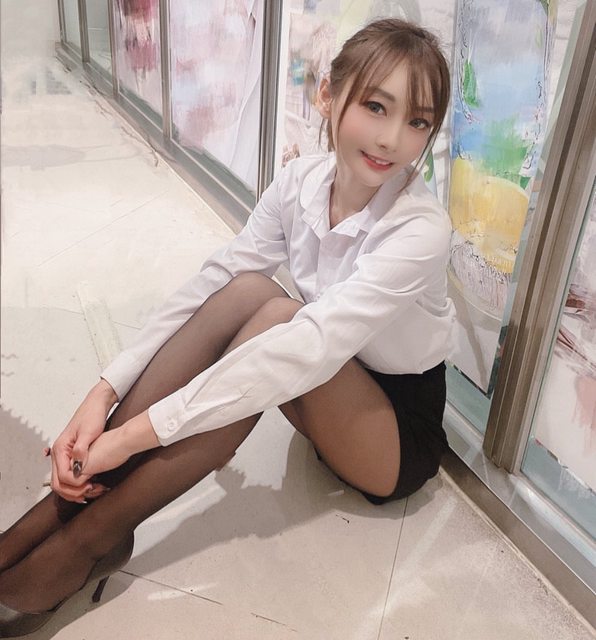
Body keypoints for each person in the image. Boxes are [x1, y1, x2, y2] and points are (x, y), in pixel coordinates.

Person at [0, 18, 454, 637]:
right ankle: (52, 520)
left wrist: (130, 438)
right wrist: (103, 391)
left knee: (278, 323)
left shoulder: (420, 229)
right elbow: (214, 281)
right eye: (376, 106)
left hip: (391, 434)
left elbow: (306, 350)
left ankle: (85, 543)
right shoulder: (300, 182)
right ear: (328, 95)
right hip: (319, 378)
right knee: (245, 290)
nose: (392, 138)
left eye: (418, 122)